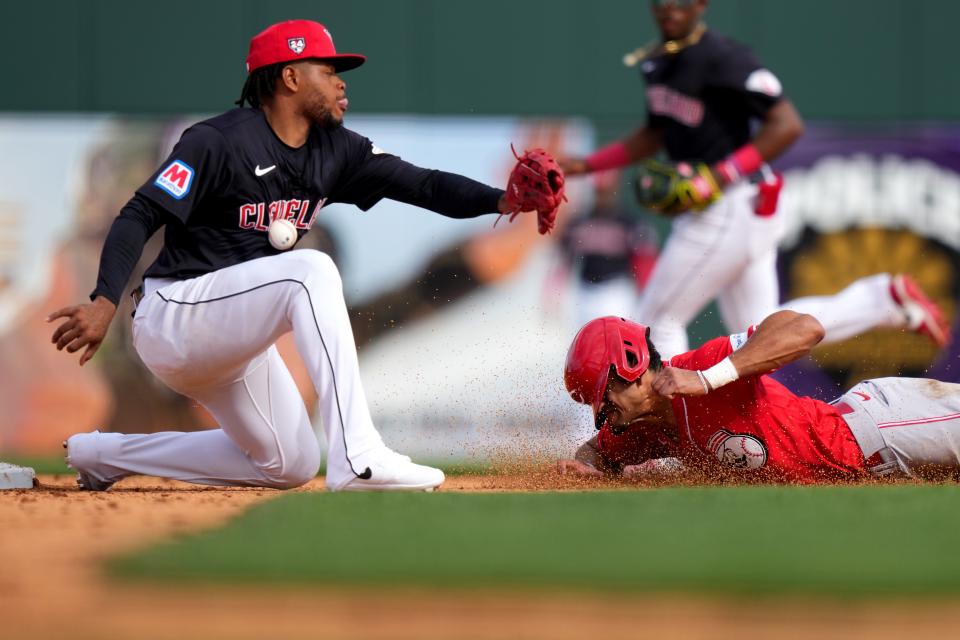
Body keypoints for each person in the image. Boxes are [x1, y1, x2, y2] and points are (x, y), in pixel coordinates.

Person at [49, 19, 525, 492]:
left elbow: (423, 184)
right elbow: (139, 213)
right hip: (174, 315)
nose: (341, 81)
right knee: (309, 269)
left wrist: (504, 200)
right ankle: (358, 455)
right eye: (327, 69)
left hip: (233, 338)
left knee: (290, 463)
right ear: (290, 77)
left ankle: (104, 455)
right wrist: (104, 301)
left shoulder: (337, 150)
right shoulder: (217, 141)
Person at [560, 0, 951, 358]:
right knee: (761, 331)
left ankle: (671, 427)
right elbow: (655, 133)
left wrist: (719, 174)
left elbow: (787, 124)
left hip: (729, 203)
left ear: (700, 4)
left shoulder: (724, 57)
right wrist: (587, 165)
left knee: (655, 322)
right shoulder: (660, 63)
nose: (670, 7)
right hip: (729, 207)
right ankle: (882, 300)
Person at [559, 313, 960, 483]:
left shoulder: (702, 365)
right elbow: (596, 455)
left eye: (604, 399)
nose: (605, 415)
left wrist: (710, 378)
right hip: (872, 470)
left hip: (880, 429)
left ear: (629, 365)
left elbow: (806, 327)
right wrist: (586, 467)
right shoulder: (641, 427)